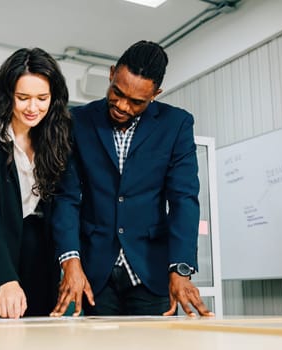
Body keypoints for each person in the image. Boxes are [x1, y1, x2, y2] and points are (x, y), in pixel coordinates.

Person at [50, 40, 214, 317]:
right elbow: (66, 198)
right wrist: (70, 260)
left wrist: (181, 268)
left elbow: (183, 199)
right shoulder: (76, 121)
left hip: (152, 272)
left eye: (136, 102)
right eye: (117, 92)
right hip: (94, 272)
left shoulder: (176, 125)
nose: (123, 106)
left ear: (155, 94)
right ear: (112, 73)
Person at [0, 48, 72, 318]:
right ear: (7, 94)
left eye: (42, 98)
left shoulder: (57, 133)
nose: (33, 108)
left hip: (41, 255)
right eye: (23, 98)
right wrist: (3, 279)